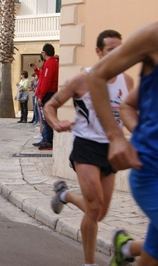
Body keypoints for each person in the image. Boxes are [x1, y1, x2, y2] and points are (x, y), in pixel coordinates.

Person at [44, 30, 134, 266]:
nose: (118, 55)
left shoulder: (127, 81)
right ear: (98, 52)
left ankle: (65, 194)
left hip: (111, 150)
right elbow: (49, 106)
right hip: (86, 146)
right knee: (93, 207)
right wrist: (56, 123)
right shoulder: (81, 79)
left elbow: (132, 113)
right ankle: (89, 263)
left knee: (99, 213)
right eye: (111, 51)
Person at [87, 21, 158, 266]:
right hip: (151, 169)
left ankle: (126, 249)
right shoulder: (152, 36)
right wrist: (117, 137)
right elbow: (97, 76)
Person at [31, 44, 59, 150]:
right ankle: (45, 139)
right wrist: (36, 70)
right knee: (44, 118)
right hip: (49, 93)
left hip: (48, 94)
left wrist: (41, 97)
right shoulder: (51, 63)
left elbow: (46, 81)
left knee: (46, 118)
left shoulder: (50, 63)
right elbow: (43, 76)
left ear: (44, 53)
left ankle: (48, 141)